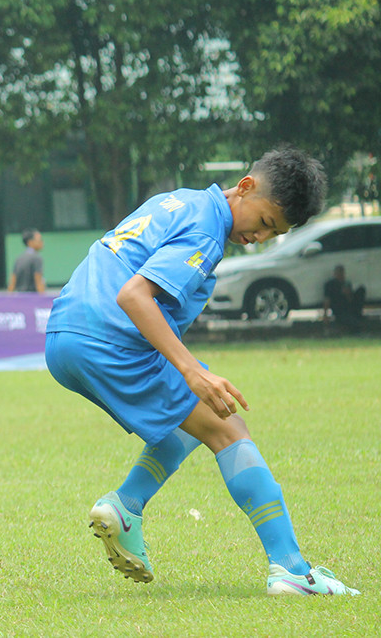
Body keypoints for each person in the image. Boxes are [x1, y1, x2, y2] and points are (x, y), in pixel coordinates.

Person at [44, 147, 359, 596]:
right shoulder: (208, 234)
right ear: (245, 187)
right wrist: (190, 370)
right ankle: (291, 569)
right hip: (110, 339)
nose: (262, 237)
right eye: (267, 222)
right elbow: (134, 296)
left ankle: (126, 506)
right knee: (229, 427)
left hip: (64, 336)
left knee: (199, 416)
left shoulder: (179, 200)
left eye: (276, 233)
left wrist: (192, 375)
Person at [323, 264, 365, 332]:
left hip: (349, 308)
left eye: (342, 273)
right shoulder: (330, 285)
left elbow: (351, 300)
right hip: (339, 310)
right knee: (354, 323)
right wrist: (325, 315)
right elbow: (327, 300)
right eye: (338, 273)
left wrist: (347, 294)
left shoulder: (347, 283)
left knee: (361, 289)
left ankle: (357, 316)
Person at [8, 228, 46, 293]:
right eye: (39, 240)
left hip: (20, 299)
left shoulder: (19, 258)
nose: (42, 242)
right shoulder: (37, 258)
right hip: (33, 299)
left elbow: (12, 283)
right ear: (30, 242)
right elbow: (38, 282)